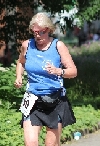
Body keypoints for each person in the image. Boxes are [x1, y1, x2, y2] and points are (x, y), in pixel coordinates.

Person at [14, 12, 77, 146]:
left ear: (48, 30)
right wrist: (19, 76)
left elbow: (73, 71)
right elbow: (21, 62)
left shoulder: (58, 46)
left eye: (41, 32)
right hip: (33, 100)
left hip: (55, 100)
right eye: (34, 32)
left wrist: (59, 71)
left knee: (51, 144)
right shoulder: (27, 45)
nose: (37, 35)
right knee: (30, 143)